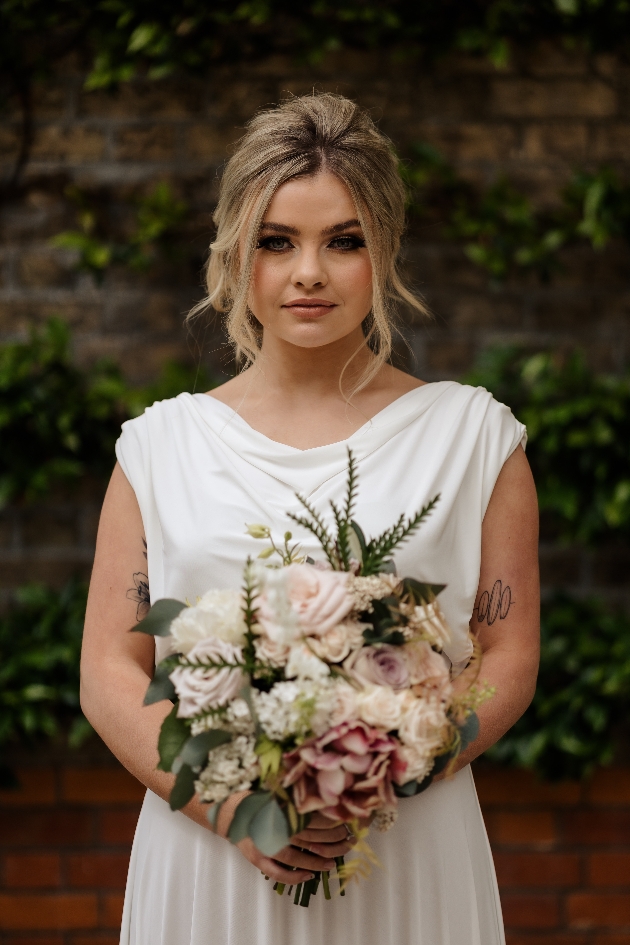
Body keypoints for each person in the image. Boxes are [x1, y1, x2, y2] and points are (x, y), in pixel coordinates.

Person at [81, 92, 540, 945]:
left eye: (345, 241)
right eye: (277, 241)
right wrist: (237, 809)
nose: (309, 273)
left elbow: (506, 651)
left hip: (407, 849)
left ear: (385, 251)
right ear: (235, 252)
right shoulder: (160, 446)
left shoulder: (475, 439)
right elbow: (110, 665)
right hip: (209, 859)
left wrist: (374, 782)